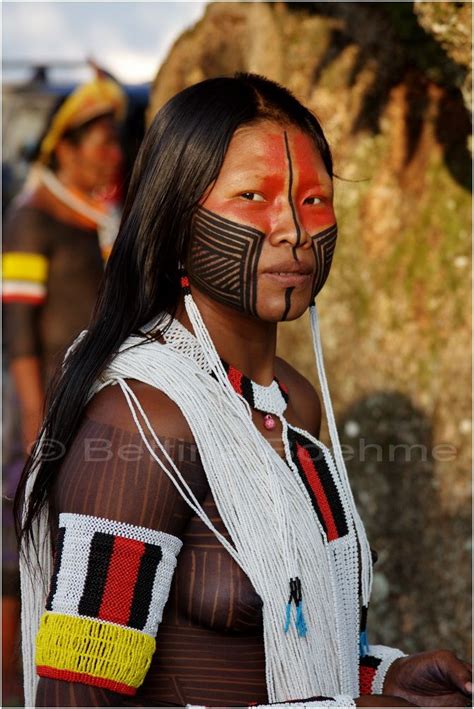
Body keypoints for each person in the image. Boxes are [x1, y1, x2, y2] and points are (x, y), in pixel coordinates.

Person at [15, 73, 471, 708]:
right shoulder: (146, 420)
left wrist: (381, 679)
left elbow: (285, 644)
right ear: (177, 220)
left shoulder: (294, 403)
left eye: (314, 200)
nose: (294, 230)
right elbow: (75, 698)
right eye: (254, 195)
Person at [2, 76, 125, 705]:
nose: (113, 153)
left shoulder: (105, 221)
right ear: (65, 148)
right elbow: (17, 328)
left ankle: (85, 677)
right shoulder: (31, 219)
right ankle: (18, 682)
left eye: (115, 141)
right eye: (101, 141)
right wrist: (32, 417)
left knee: (99, 537)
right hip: (44, 412)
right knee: (28, 546)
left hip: (103, 411)